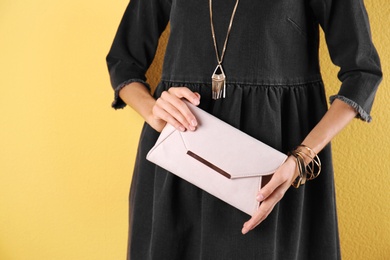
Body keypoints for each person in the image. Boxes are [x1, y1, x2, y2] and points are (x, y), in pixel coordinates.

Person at [106, 0, 382, 259]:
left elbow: (362, 73)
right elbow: (123, 61)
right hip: (180, 156)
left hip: (274, 167)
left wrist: (301, 158)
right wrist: (154, 111)